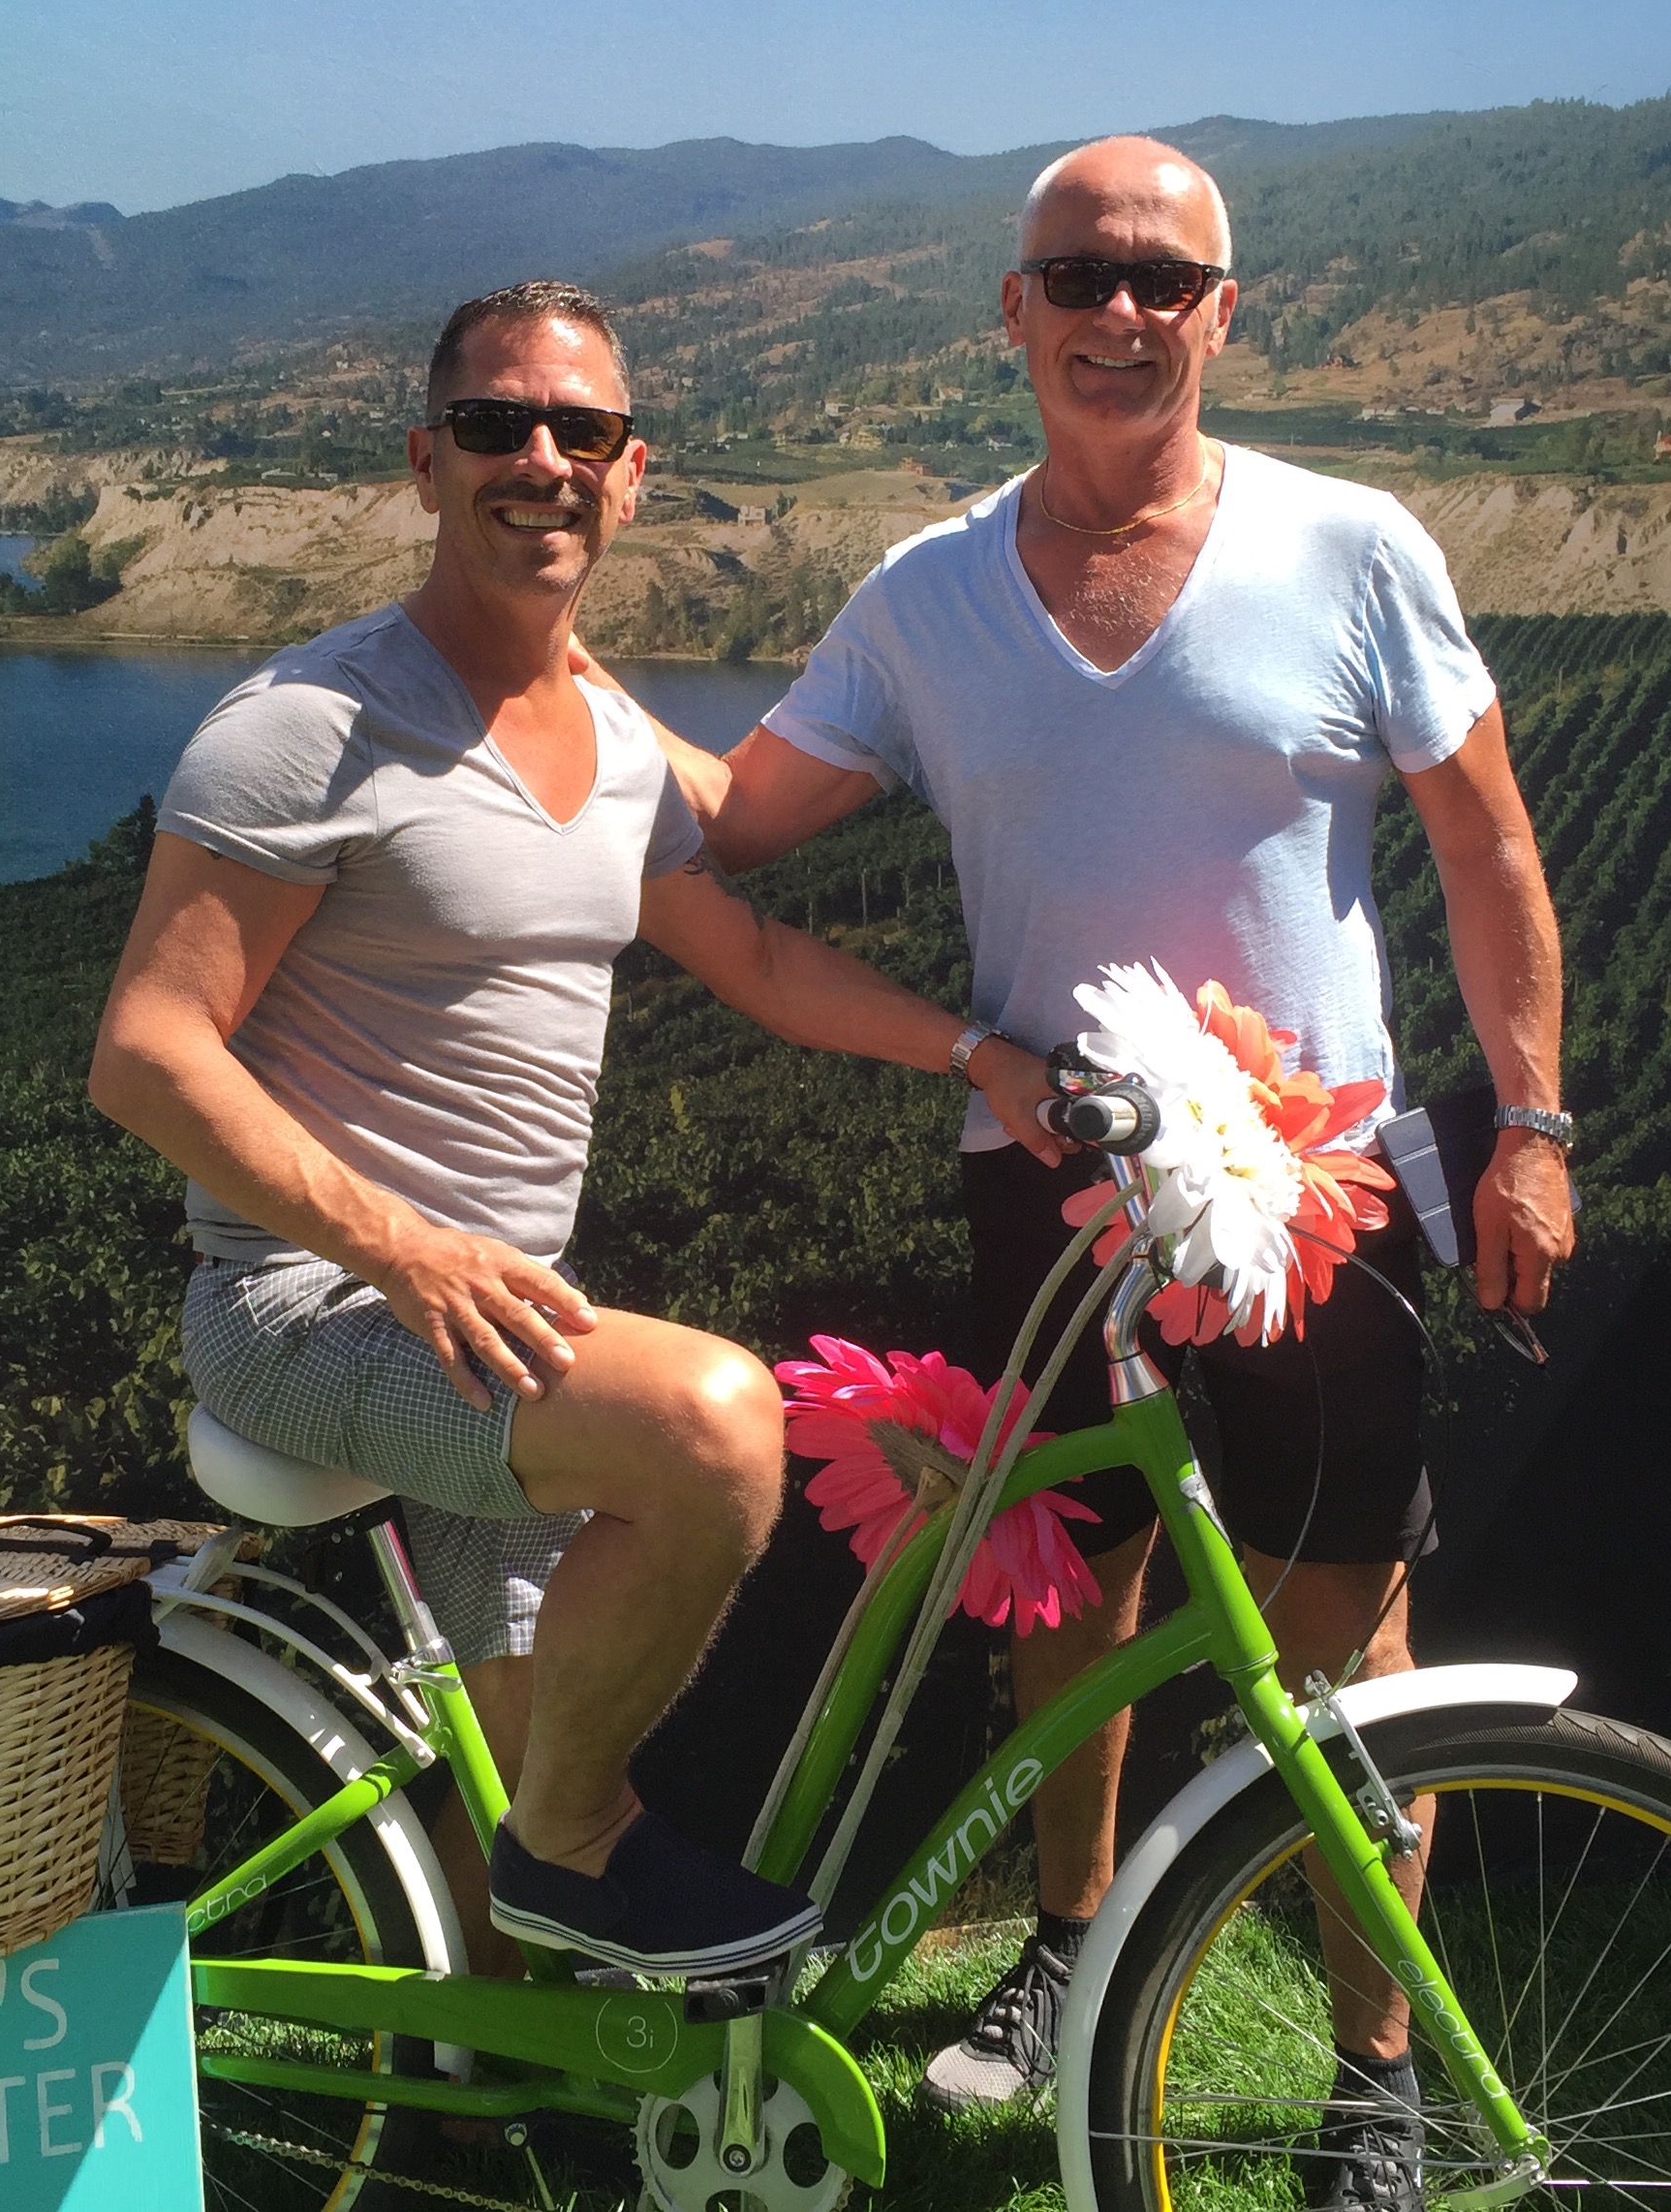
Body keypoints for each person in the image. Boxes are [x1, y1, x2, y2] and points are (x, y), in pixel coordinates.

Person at [608, 140, 1575, 2196]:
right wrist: (555, 684)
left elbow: (1487, 842)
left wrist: (1538, 1121)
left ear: (1228, 311)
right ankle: (1067, 1951)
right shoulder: (925, 596)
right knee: (1068, 1586)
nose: (1120, 311)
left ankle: (1373, 2065)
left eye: (1163, 278)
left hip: (1316, 1196)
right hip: (1046, 1190)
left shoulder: (1354, 546)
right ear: (1015, 313)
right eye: (1079, 273)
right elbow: (747, 817)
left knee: (1346, 1628)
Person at [88, 279, 1064, 1979]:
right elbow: (149, 1053)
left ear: (629, 476)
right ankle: (577, 1852)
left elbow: (747, 948)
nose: (538, 458)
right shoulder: (307, 727)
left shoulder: (613, 742)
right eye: (495, 424)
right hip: (310, 1312)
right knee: (713, 1430)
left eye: (581, 432)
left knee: (531, 1744)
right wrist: (399, 1243)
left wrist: (977, 1051)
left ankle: (473, 2081)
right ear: (425, 460)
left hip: (494, 1322)